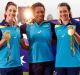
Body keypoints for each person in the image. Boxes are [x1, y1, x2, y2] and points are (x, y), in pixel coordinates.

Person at [20, 2, 57, 75]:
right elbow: (17, 32)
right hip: (34, 62)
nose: (40, 14)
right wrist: (26, 46)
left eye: (42, 12)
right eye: (37, 12)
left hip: (48, 62)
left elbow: (55, 40)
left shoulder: (51, 25)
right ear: (33, 14)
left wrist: (46, 45)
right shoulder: (27, 26)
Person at [0, 2, 28, 75]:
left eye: (14, 11)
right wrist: (4, 39)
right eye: (10, 10)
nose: (12, 13)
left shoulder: (18, 28)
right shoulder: (0, 28)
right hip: (5, 67)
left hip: (18, 66)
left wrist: (36, 46)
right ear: (6, 12)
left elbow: (23, 45)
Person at [55, 2, 80, 75]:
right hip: (60, 63)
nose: (63, 13)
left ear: (69, 11)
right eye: (60, 12)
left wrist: (74, 33)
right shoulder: (56, 26)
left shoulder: (77, 24)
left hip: (73, 62)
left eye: (65, 11)